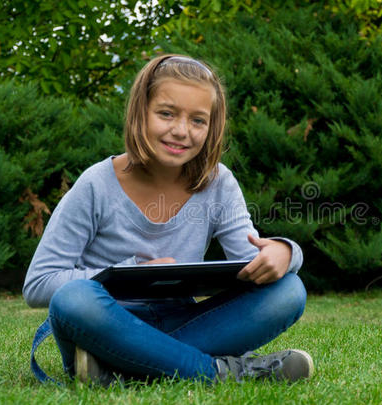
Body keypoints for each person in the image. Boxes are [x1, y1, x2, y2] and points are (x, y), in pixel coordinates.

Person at [23, 54, 313, 386]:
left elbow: (250, 263)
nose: (181, 131)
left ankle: (123, 372)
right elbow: (38, 284)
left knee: (289, 290)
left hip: (183, 320)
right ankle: (222, 373)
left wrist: (285, 253)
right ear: (140, 112)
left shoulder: (218, 183)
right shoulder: (95, 184)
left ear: (212, 126)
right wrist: (125, 277)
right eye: (166, 114)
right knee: (73, 299)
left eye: (198, 121)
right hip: (105, 325)